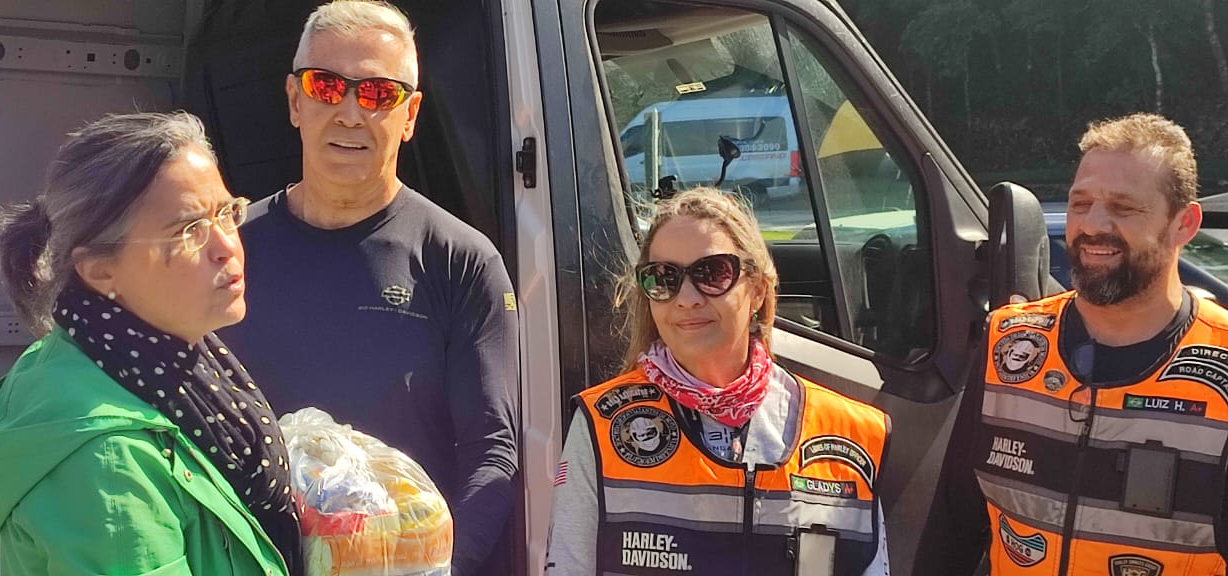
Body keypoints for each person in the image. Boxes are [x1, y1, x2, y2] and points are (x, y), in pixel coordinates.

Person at [216, 2, 519, 574]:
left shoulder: (461, 261)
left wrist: (441, 570)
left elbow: (492, 454)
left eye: (379, 94)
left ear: (410, 115)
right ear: (295, 100)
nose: (350, 113)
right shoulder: (227, 251)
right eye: (327, 86)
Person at [0, 112, 301, 575]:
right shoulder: (107, 464)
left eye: (226, 213)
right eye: (189, 230)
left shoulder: (133, 357)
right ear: (100, 270)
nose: (226, 247)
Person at [545, 187, 892, 576]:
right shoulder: (602, 426)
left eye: (712, 273)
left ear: (757, 290)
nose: (687, 298)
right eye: (663, 278)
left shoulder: (849, 435)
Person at [947, 113, 1228, 575]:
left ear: (1184, 223)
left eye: (1123, 207)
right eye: (1080, 203)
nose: (1093, 225)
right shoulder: (1009, 342)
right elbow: (955, 529)